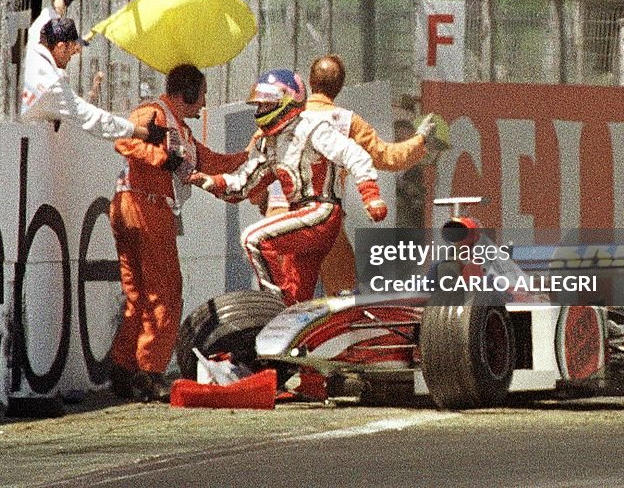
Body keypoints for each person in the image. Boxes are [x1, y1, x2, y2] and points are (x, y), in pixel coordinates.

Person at [190, 69, 389, 307]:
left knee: (254, 239)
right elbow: (244, 184)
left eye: (266, 105)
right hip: (301, 215)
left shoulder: (313, 126)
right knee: (296, 301)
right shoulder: (268, 140)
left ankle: (270, 306)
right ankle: (286, 320)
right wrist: (209, 181)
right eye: (259, 106)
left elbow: (355, 154)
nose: (260, 112)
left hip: (322, 211)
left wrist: (371, 195)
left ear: (288, 101)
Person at [108, 64, 247, 403]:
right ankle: (149, 371)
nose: (203, 104)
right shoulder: (153, 112)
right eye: (201, 96)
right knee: (166, 292)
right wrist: (163, 159)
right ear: (186, 94)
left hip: (135, 206)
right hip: (146, 208)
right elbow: (125, 140)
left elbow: (208, 161)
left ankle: (123, 367)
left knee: (139, 295)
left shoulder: (179, 128)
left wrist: (248, 155)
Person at [265, 54, 449, 295]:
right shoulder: (346, 121)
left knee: (282, 296)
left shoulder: (280, 115)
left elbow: (255, 161)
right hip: (319, 217)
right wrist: (420, 139)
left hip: (279, 215)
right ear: (340, 87)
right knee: (343, 296)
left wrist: (259, 198)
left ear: (310, 83)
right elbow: (388, 157)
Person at [19, 16, 163, 144]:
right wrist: (140, 132)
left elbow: (46, 14)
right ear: (61, 47)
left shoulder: (32, 50)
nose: (73, 54)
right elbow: (92, 119)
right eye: (71, 48)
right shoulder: (51, 84)